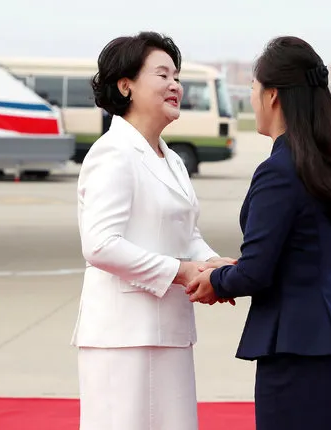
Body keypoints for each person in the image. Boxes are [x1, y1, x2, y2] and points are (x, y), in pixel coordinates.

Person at [185, 36, 331, 430]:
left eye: (253, 89)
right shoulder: (326, 161)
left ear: (272, 96)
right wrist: (232, 268)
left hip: (297, 345)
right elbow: (301, 252)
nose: (250, 99)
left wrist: (215, 280)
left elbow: (258, 272)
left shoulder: (280, 170)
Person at [72, 31, 235, 430]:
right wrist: (182, 272)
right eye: (162, 75)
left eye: (176, 76)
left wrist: (211, 264)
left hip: (169, 330)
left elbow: (186, 233)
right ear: (125, 85)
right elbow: (100, 245)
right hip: (122, 336)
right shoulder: (113, 152)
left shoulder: (172, 158)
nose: (175, 85)